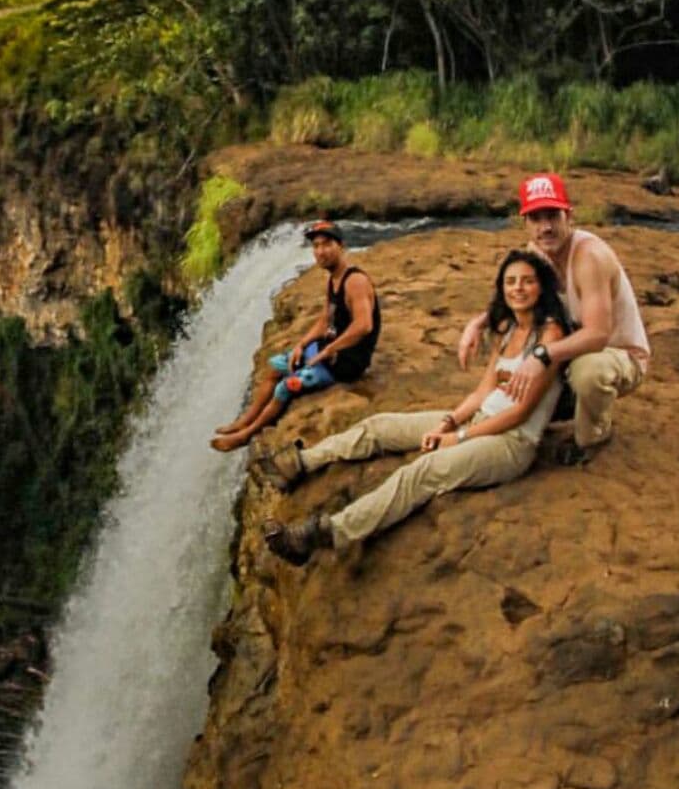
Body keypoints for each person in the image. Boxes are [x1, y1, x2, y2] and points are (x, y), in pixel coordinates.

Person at [265, 249, 568, 565]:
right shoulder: (507, 330)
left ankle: (328, 533)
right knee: (379, 426)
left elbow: (520, 412)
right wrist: (449, 422)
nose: (518, 288)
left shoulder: (550, 334)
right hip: (480, 420)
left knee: (423, 471)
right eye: (511, 281)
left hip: (511, 443)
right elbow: (483, 391)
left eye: (527, 281)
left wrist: (458, 438)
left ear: (541, 287)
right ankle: (300, 463)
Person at [458, 173, 650, 461]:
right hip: (574, 348)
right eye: (536, 218)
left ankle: (593, 436)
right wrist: (477, 323)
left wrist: (542, 355)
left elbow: (598, 334)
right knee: (522, 334)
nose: (545, 227)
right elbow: (517, 299)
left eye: (552, 216)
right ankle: (551, 407)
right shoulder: (537, 253)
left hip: (619, 354)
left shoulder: (589, 256)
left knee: (588, 371)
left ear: (568, 216)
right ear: (525, 223)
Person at [212, 219, 380, 452]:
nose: (320, 251)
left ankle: (245, 435)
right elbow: (325, 319)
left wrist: (329, 350)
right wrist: (302, 344)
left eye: (327, 244)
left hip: (344, 363)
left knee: (285, 387)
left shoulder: (355, 281)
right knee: (275, 367)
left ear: (341, 246)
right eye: (316, 246)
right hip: (325, 351)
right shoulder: (333, 278)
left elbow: (364, 325)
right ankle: (245, 420)